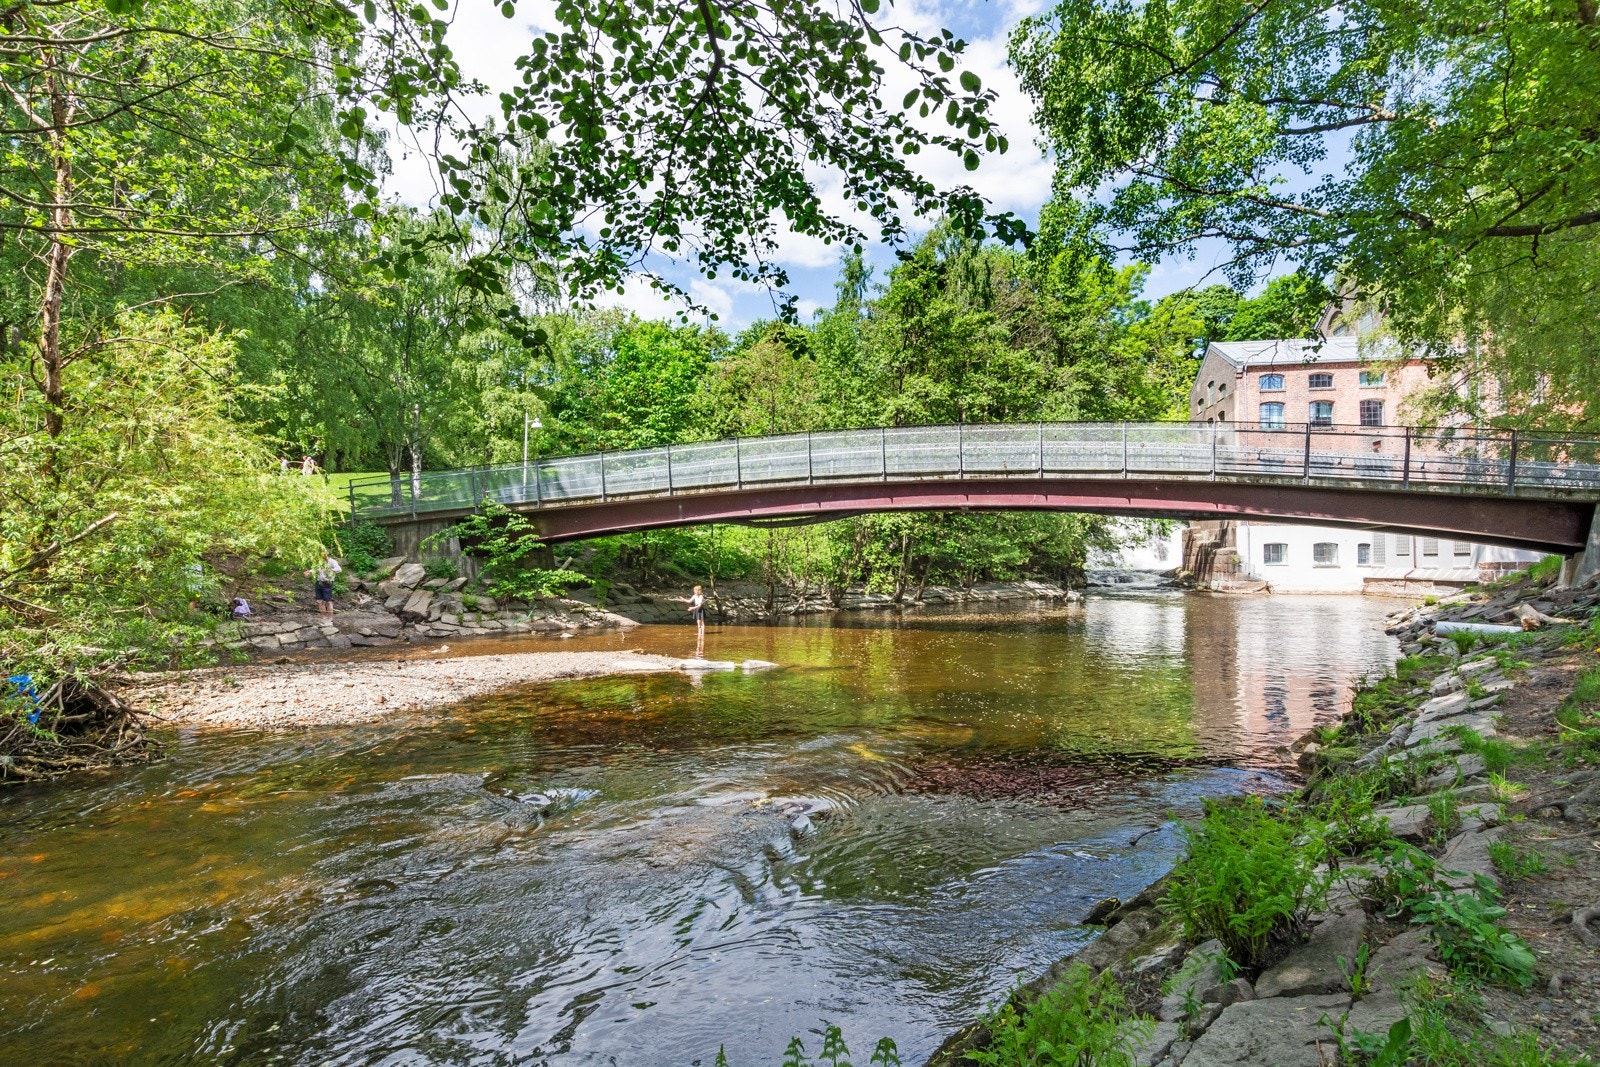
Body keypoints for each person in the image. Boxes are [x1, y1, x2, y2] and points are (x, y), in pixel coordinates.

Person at [683, 584, 707, 649]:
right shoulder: (694, 596)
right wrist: (683, 600)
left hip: (700, 609)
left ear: (698, 591)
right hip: (696, 609)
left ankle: (702, 634)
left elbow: (699, 605)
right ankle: (699, 634)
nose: (694, 591)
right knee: (698, 623)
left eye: (695, 590)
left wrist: (692, 608)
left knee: (702, 623)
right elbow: (689, 601)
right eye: (694, 590)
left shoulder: (701, 596)